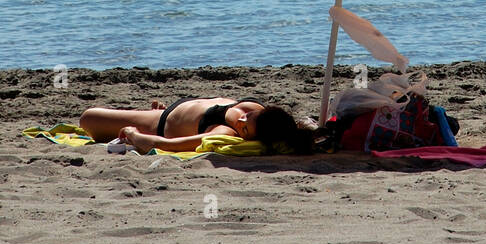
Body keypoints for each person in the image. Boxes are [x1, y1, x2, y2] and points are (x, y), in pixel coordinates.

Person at [79, 96, 316, 154]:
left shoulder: (223, 132)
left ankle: (154, 115)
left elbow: (167, 145)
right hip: (180, 107)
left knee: (88, 119)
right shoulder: (263, 113)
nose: (241, 119)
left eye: (244, 128)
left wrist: (133, 134)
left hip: (160, 124)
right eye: (248, 116)